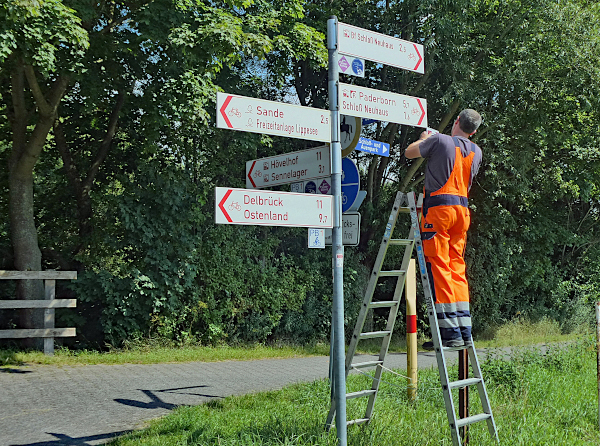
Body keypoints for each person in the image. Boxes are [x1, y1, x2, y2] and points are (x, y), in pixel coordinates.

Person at [404, 109, 483, 348]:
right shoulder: (476, 151)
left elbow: (409, 152)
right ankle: (464, 330)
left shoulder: (439, 140)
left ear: (456, 121)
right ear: (475, 131)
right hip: (462, 213)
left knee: (438, 265)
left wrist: (423, 137)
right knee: (457, 266)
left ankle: (450, 334)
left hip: (439, 211)